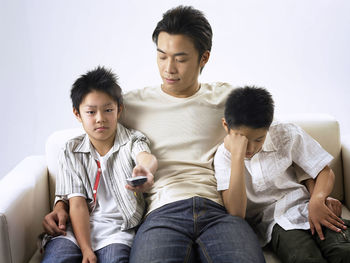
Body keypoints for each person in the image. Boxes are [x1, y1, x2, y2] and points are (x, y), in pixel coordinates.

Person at [43, 6, 266, 262]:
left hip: (218, 211)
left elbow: (279, 139)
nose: (169, 68)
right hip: (161, 213)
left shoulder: (229, 99)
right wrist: (60, 205)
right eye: (162, 56)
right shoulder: (129, 106)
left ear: (203, 58)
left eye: (180, 59)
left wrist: (315, 188)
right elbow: (89, 147)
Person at [214, 86, 350, 263]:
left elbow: (323, 171)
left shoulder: (285, 133)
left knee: (344, 251)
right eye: (243, 139)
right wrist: (237, 156)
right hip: (277, 226)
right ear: (226, 126)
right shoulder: (223, 157)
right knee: (304, 258)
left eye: (258, 139)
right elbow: (236, 212)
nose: (251, 148)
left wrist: (318, 199)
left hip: (307, 207)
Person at [41, 66, 158, 263]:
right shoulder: (71, 150)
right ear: (77, 114)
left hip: (118, 232)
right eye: (91, 112)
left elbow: (146, 157)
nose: (100, 118)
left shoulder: (132, 140)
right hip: (75, 231)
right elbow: (77, 205)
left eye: (108, 110)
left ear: (119, 110)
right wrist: (86, 250)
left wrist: (145, 170)